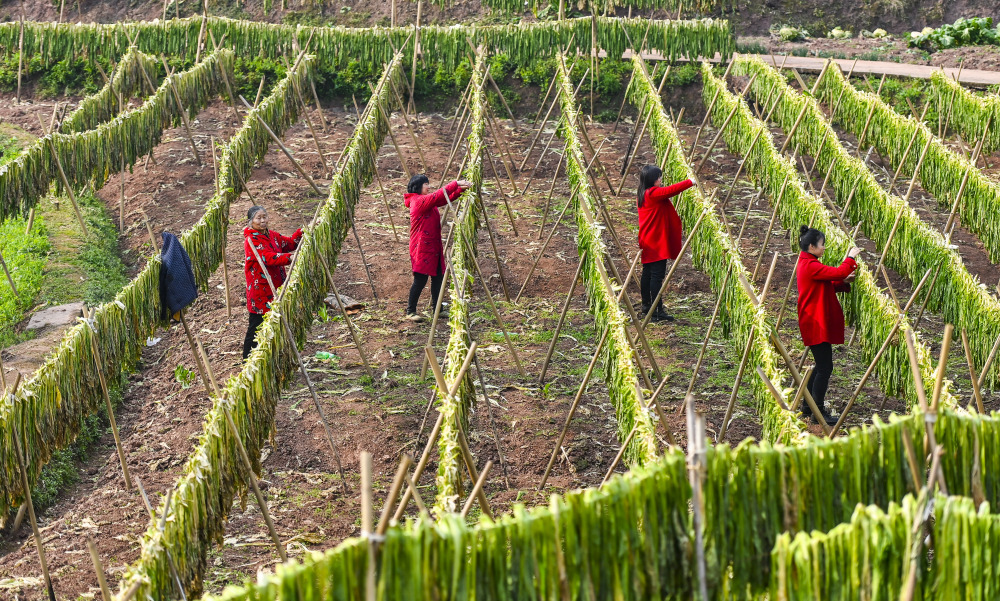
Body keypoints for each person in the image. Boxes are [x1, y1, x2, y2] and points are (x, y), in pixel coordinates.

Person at [796, 225, 860, 426]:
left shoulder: (808, 263)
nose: (824, 248)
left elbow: (825, 283)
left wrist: (844, 281)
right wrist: (850, 258)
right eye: (822, 245)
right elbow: (839, 271)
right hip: (815, 321)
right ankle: (818, 411)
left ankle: (808, 407)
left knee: (820, 365)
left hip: (814, 319)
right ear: (812, 246)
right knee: (825, 367)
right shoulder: (811, 265)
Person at [403, 174, 471, 322]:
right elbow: (437, 195)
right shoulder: (417, 201)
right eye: (426, 184)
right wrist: (456, 182)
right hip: (421, 247)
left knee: (438, 278)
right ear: (418, 186)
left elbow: (443, 198)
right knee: (420, 280)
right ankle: (410, 311)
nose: (429, 186)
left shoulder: (427, 202)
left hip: (433, 246)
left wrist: (461, 190)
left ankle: (438, 310)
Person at [243, 205, 303, 359]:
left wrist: (301, 232)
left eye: (265, 217)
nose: (262, 221)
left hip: (275, 287)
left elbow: (289, 243)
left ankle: (271, 355)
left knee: (274, 321)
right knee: (256, 326)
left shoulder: (273, 235)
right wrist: (289, 258)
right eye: (258, 218)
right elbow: (267, 257)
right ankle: (248, 359)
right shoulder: (251, 240)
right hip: (261, 291)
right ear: (251, 222)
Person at [636, 164, 694, 322]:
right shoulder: (652, 193)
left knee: (647, 273)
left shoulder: (642, 193)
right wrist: (690, 182)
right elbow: (670, 190)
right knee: (656, 275)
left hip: (647, 239)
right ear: (653, 180)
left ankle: (647, 306)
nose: (661, 180)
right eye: (659, 177)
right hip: (655, 241)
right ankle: (656, 311)